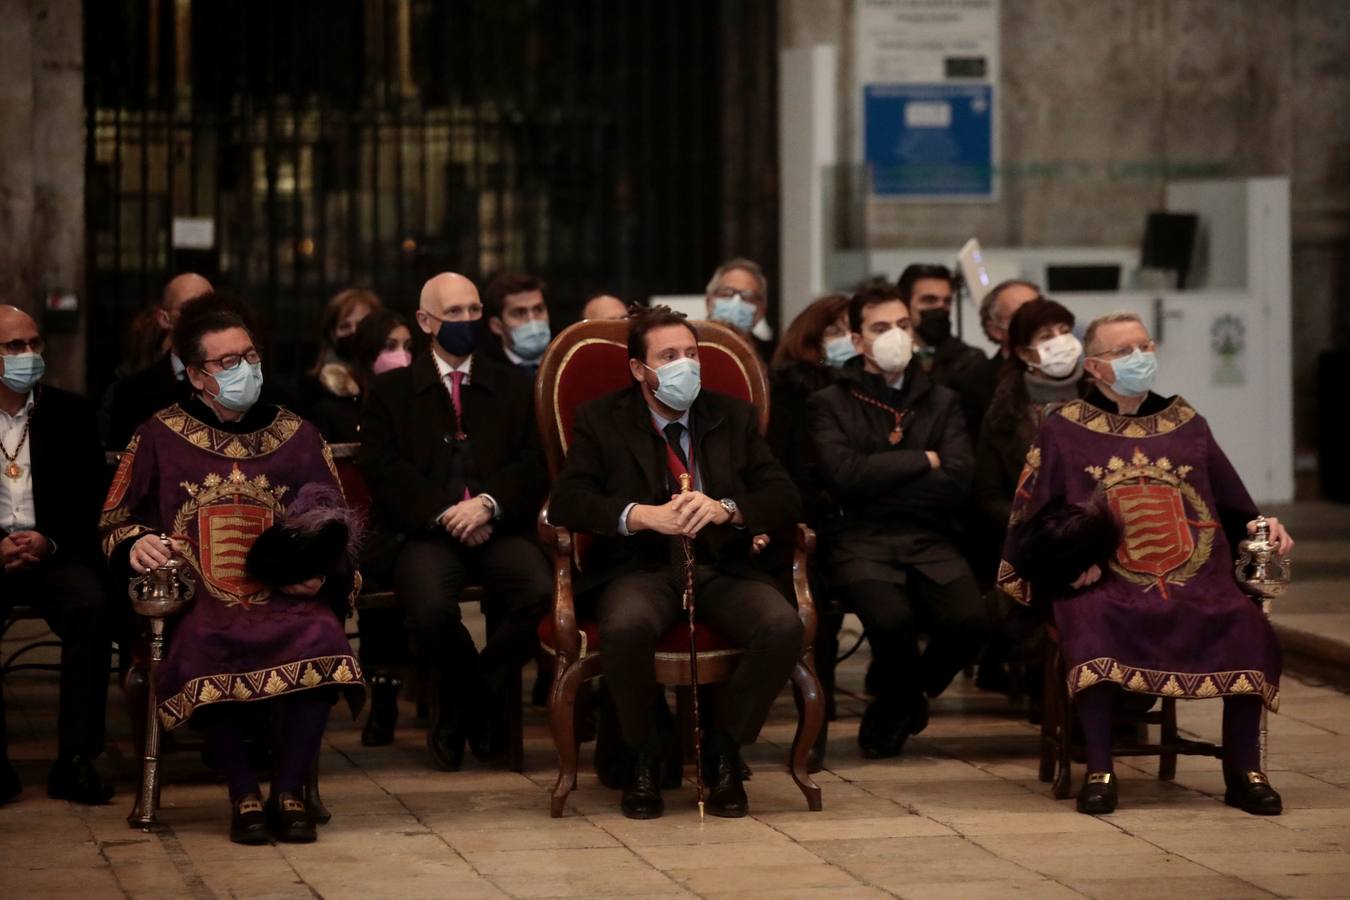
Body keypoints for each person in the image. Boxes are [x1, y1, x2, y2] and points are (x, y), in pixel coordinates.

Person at [998, 311, 1291, 816]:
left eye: (1145, 346)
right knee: (1092, 618)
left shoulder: (1188, 424)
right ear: (1094, 366)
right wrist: (1068, 563)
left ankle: (1245, 771)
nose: (1140, 358)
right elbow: (1034, 519)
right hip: (1104, 583)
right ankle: (1100, 769)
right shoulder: (1063, 429)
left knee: (1244, 622)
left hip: (1195, 582)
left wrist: (1267, 528)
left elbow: (1237, 507)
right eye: (1123, 352)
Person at [100, 294, 364, 843]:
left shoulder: (298, 434)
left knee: (322, 633)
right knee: (200, 643)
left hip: (287, 594)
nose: (245, 369)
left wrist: (322, 574)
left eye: (250, 355)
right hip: (201, 597)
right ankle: (243, 795)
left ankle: (289, 791)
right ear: (197, 375)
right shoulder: (158, 435)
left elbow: (339, 527)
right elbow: (114, 520)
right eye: (226, 363)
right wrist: (137, 543)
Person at [548, 306, 803, 820]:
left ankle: (724, 750)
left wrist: (727, 509)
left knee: (781, 626)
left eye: (691, 354)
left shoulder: (731, 415)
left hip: (720, 565)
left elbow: (784, 494)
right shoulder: (602, 418)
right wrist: (640, 516)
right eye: (668, 357)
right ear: (639, 370)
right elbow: (569, 500)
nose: (684, 365)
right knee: (626, 626)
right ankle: (643, 756)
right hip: (639, 567)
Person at [359, 273, 551, 770]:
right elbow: (384, 470)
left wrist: (487, 504)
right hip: (425, 531)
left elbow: (533, 462)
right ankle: (472, 696)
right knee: (426, 608)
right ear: (426, 321)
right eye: (454, 313)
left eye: (473, 310)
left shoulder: (512, 385)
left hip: (497, 526)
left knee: (540, 590)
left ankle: (470, 698)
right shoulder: (390, 392)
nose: (467, 321)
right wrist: (446, 512)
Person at [807, 284, 988, 759]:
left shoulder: (942, 400)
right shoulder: (829, 401)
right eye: (881, 328)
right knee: (890, 618)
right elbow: (844, 476)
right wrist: (921, 458)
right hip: (858, 536)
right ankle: (900, 705)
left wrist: (883, 474)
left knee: (970, 619)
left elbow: (957, 478)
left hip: (929, 533)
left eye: (903, 326)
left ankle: (903, 698)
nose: (895, 337)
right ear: (858, 339)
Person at [0, 306, 114, 805]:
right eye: (13, 347)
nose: (28, 356)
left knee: (91, 605)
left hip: (54, 550)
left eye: (34, 344)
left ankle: (76, 760)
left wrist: (49, 541)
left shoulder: (71, 412)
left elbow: (92, 499)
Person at [971, 298, 1086, 704]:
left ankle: (1117, 695)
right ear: (1023, 352)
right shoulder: (1005, 411)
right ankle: (1055, 691)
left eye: (1064, 331)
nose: (1060, 343)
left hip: (1098, 531)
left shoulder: (1100, 395)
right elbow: (986, 495)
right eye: (1045, 336)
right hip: (1031, 538)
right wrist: (1031, 522)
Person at [767, 293, 854, 766]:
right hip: (806, 518)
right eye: (835, 330)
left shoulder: (866, 388)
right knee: (811, 592)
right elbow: (783, 470)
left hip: (861, 517)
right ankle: (813, 726)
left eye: (850, 331)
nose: (844, 341)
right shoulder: (787, 389)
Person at [106, 272, 213, 448]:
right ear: (164, 318)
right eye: (190, 308)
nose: (202, 318)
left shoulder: (238, 382)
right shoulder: (128, 393)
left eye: (210, 308)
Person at [899, 263, 991, 440]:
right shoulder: (891, 361)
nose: (940, 308)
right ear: (905, 303)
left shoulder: (971, 361)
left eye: (946, 301)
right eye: (929, 300)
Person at [301, 288, 384, 443]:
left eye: (362, 325)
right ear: (332, 334)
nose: (354, 332)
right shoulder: (315, 390)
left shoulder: (389, 381)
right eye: (345, 326)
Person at [480, 272, 551, 375]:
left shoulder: (568, 359)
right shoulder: (485, 373)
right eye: (519, 313)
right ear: (497, 326)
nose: (532, 320)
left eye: (538, 309)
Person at [705, 258, 775, 358]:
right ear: (708, 302)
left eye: (748, 297)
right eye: (727, 293)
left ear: (762, 310)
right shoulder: (688, 346)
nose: (736, 302)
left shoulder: (772, 358)